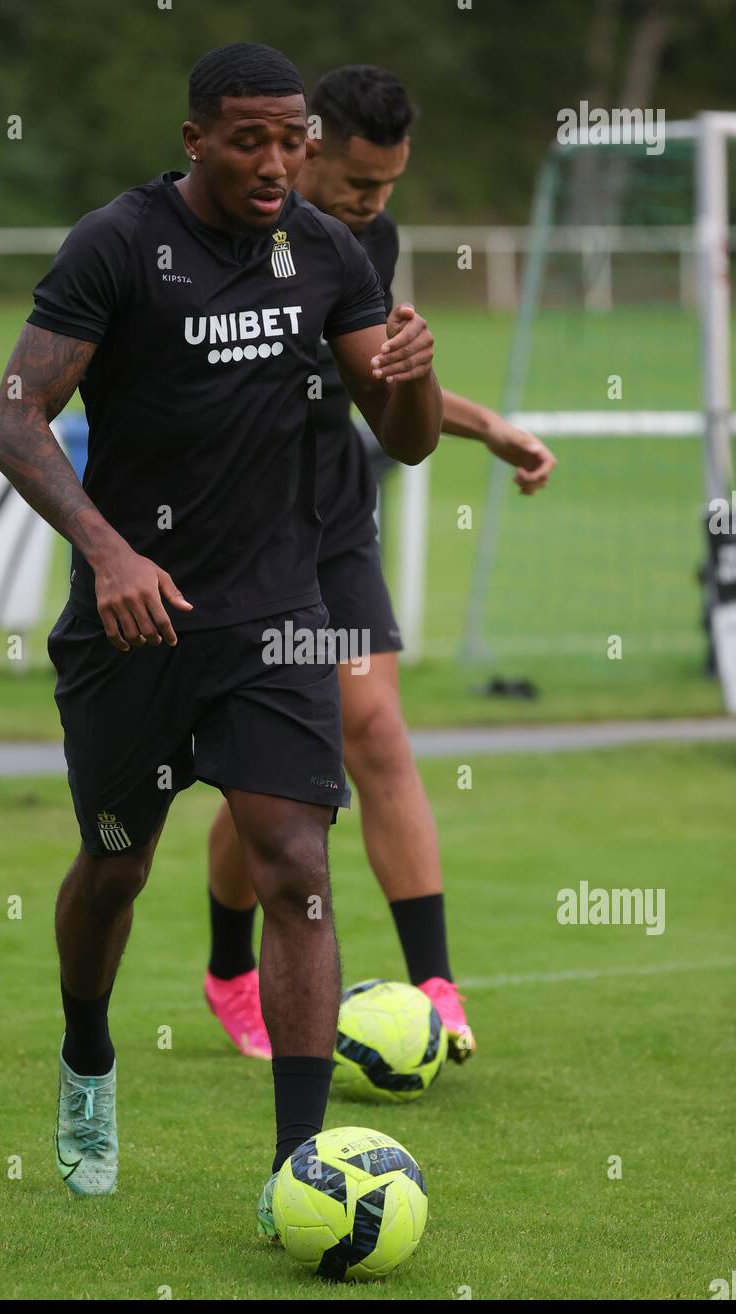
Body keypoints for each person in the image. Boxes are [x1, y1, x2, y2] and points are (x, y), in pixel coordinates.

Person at [0, 43, 442, 1231]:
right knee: (118, 864)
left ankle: (301, 1160)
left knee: (293, 858)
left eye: (292, 137)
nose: (276, 161)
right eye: (249, 138)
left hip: (278, 619)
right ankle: (88, 1053)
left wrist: (410, 379)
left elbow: (402, 439)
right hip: (135, 623)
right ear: (195, 139)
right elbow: (17, 415)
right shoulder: (116, 244)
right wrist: (108, 550)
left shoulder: (323, 249)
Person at [203, 65, 557, 1064]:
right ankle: (231, 971)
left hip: (334, 519)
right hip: (237, 534)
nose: (372, 207)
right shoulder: (211, 232)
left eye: (389, 188)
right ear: (302, 146)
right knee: (268, 774)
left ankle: (434, 984)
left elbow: (378, 378)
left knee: (372, 729)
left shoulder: (368, 241)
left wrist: (487, 427)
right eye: (359, 186)